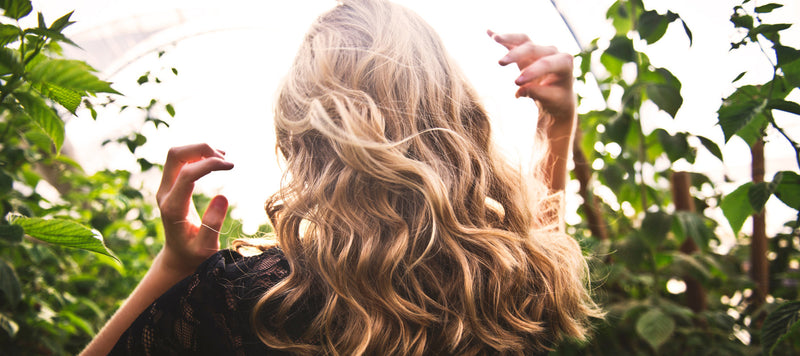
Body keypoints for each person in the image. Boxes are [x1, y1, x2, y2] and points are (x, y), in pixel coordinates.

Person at [81, 0, 600, 354]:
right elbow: (536, 241)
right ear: (455, 114)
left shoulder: (257, 299)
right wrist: (557, 126)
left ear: (302, 135)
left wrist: (173, 266)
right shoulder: (508, 279)